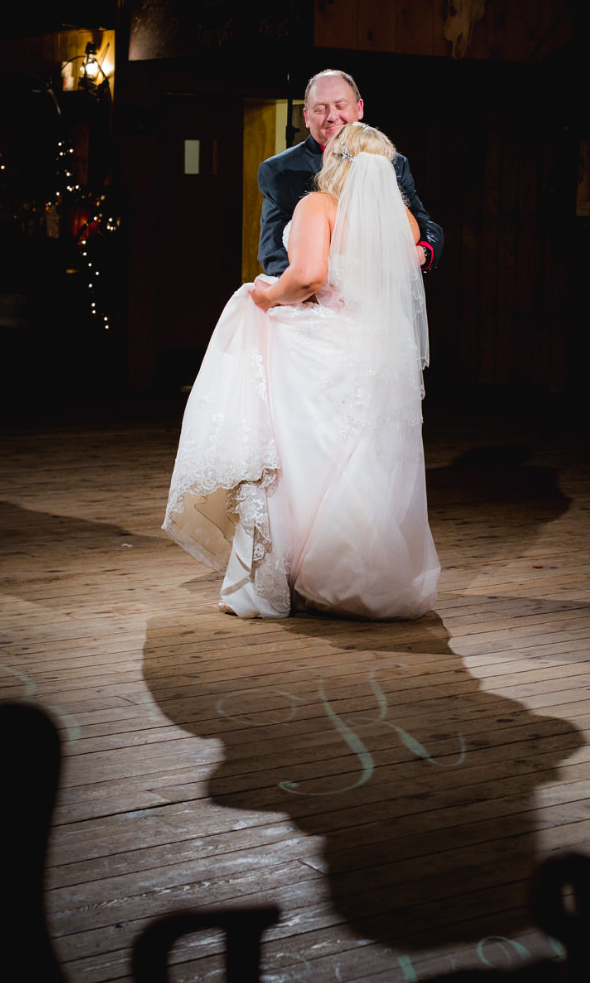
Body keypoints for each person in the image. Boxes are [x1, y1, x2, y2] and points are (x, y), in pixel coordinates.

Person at [160, 122, 438, 620]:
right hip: (375, 352)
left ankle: (280, 579)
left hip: (321, 348)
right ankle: (361, 574)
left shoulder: (318, 205)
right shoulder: (402, 220)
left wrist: (264, 295)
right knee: (361, 461)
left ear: (338, 160)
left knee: (288, 459)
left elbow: (309, 277)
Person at [257, 69, 443, 276]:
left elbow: (423, 223)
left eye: (340, 106)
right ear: (306, 117)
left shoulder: (390, 162)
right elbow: (272, 252)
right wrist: (319, 291)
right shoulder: (278, 171)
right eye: (320, 109)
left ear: (359, 108)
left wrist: (421, 252)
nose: (332, 116)